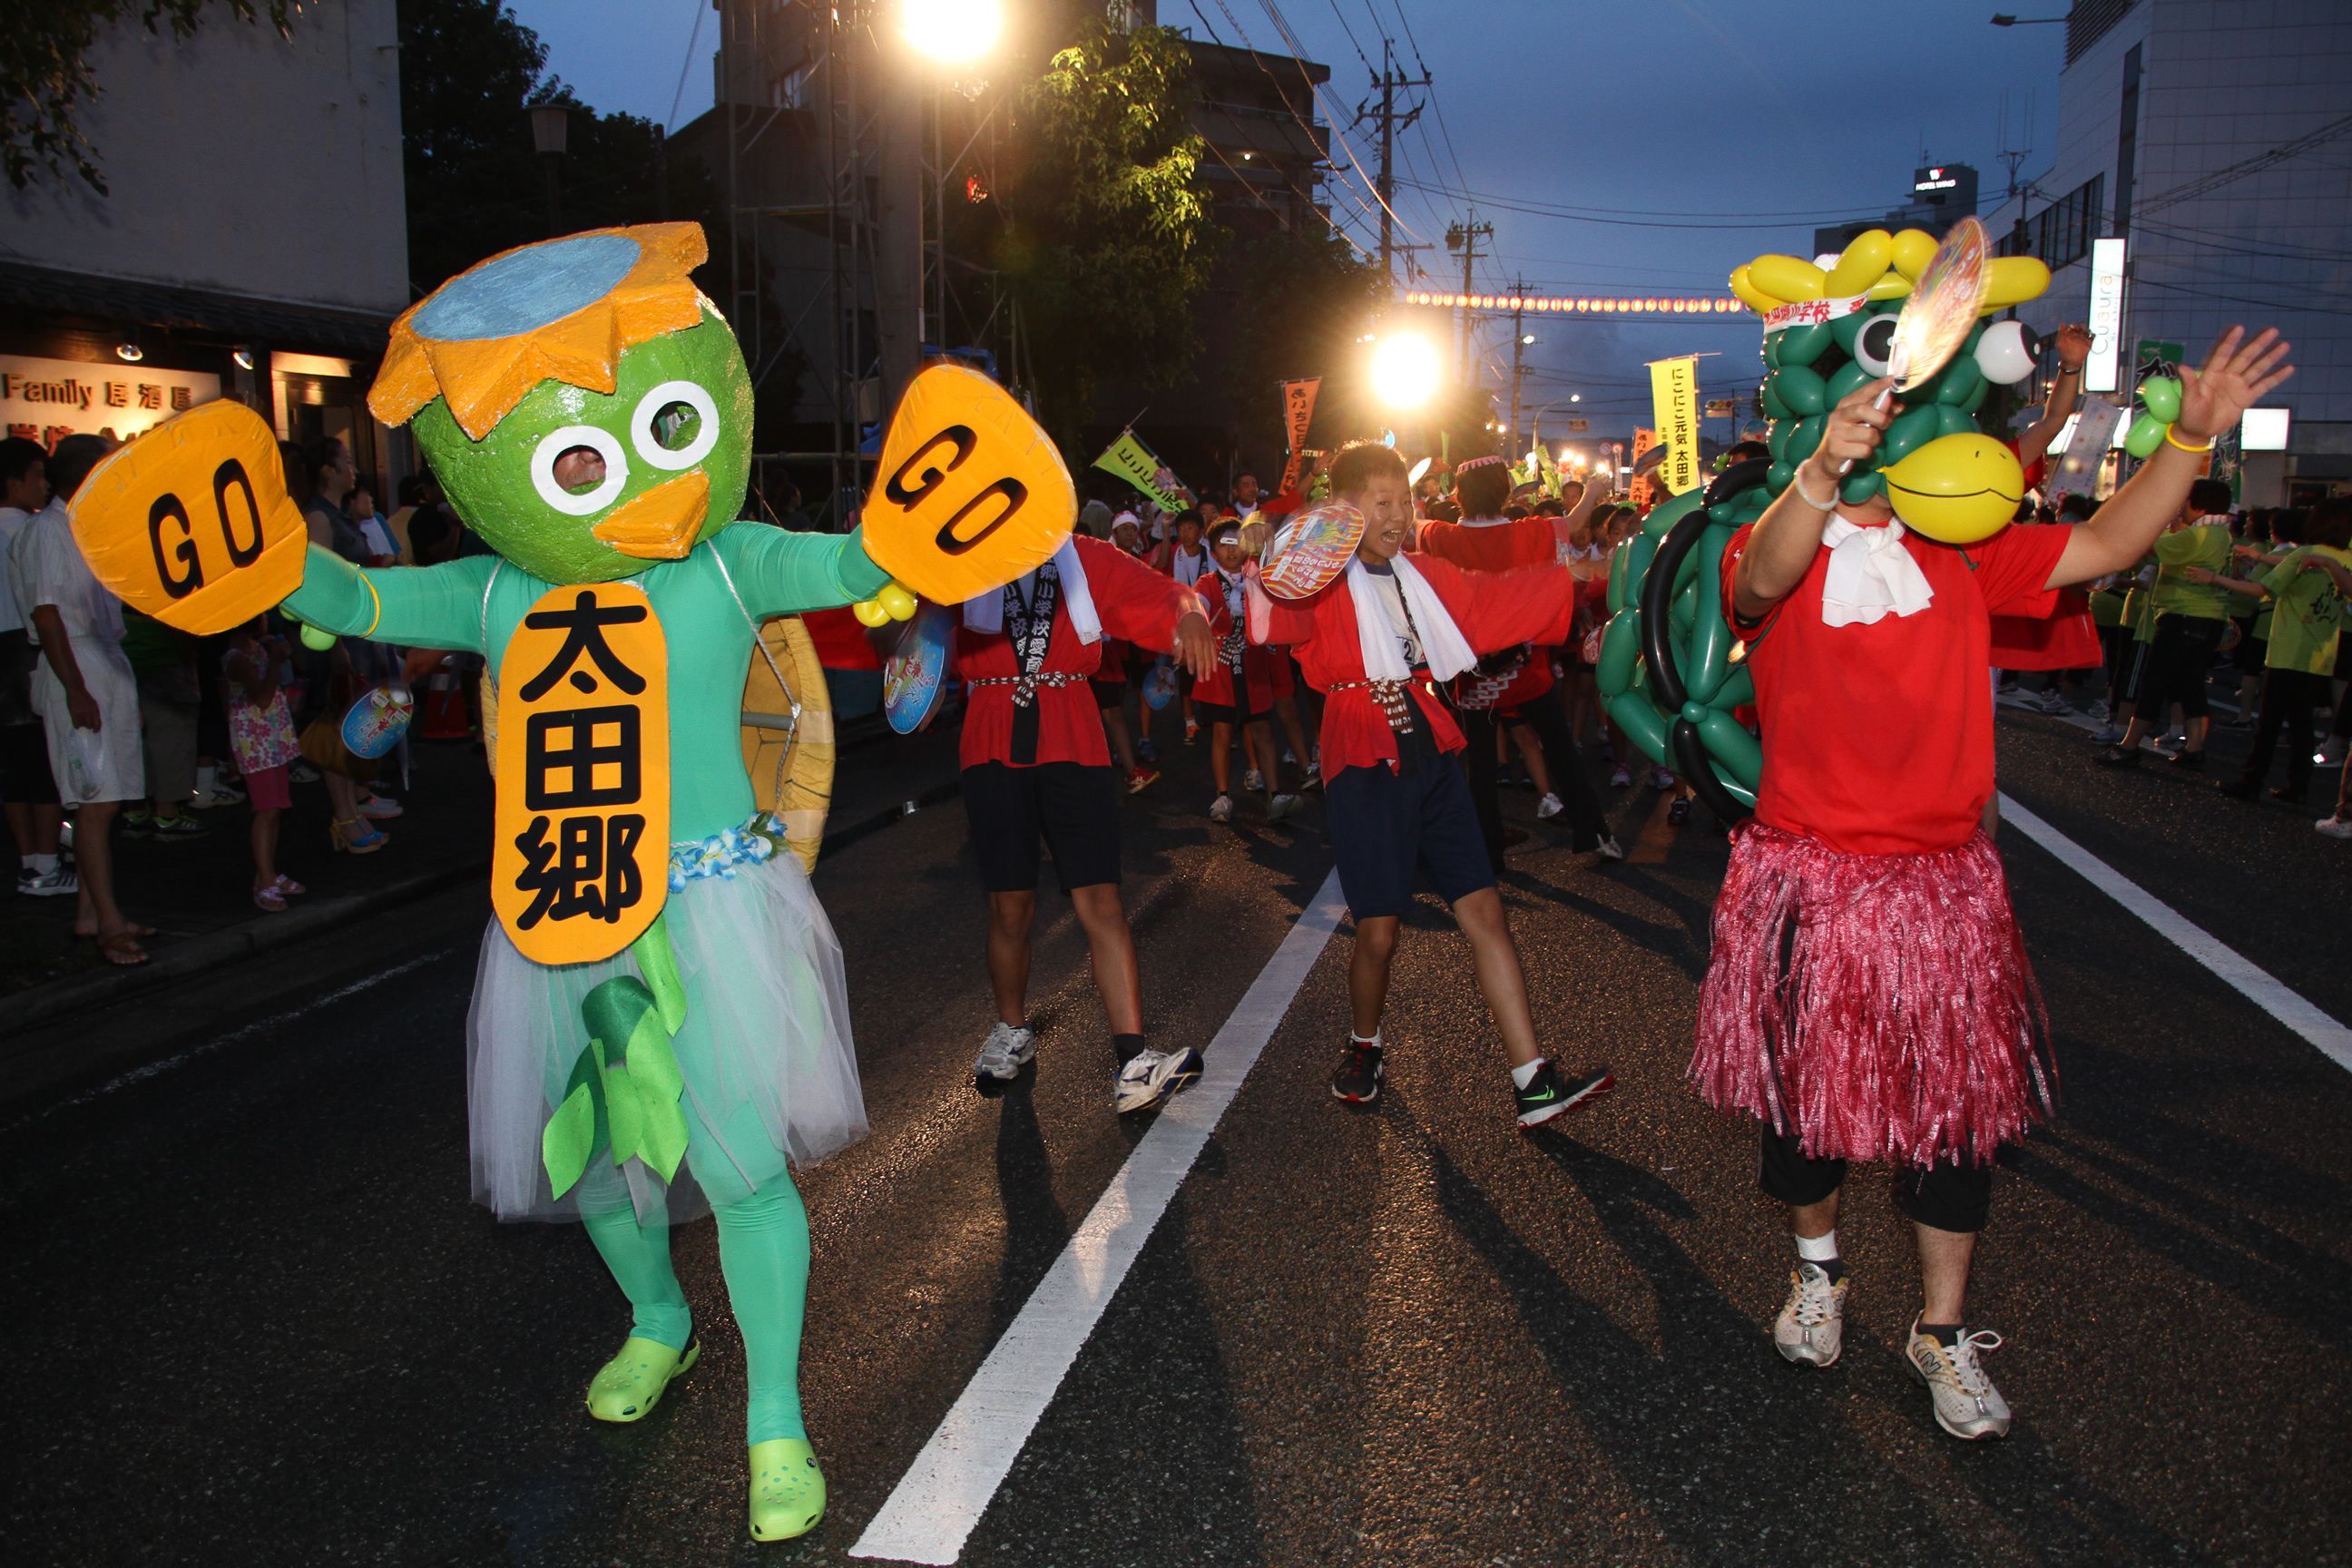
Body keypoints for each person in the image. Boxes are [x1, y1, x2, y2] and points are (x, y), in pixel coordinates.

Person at [1699, 328, 2289, 1440]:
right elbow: (1767, 576)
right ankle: (1818, 1275)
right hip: (1806, 883)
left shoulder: (1969, 552)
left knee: (1953, 1128)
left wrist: (2193, 440)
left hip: (1941, 893)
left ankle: (1942, 1331)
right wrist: (1819, 475)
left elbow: (2110, 540)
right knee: (1806, 1122)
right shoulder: (1773, 548)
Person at [1243, 440, 1615, 1125]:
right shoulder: (1316, 580)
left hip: (1433, 743)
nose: (1397, 515)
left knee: (1485, 910)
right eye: (1381, 503)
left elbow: (1502, 598)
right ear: (1345, 510)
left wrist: (1597, 574)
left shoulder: (1429, 576)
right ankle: (1364, 1046)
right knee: (1378, 930)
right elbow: (1271, 620)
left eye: (1404, 501)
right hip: (1362, 755)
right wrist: (1271, 560)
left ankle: (1532, 1078)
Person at [956, 532, 1220, 1113]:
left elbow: (1163, 592)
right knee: (1010, 906)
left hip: (1073, 734)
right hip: (992, 736)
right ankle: (1010, 1031)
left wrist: (1192, 614)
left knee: (1100, 900)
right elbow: (905, 623)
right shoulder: (964, 554)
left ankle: (1133, 1061)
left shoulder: (1084, 555)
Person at [1416, 456, 1622, 861]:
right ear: (1505, 491)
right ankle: (1593, 834)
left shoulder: (1441, 536)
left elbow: (1411, 525)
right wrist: (1595, 491)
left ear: (1459, 495)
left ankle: (1487, 853)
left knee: (1480, 764)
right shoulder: (1529, 533)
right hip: (1525, 667)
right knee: (1560, 749)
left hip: (1472, 671)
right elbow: (1574, 524)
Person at [10, 434, 151, 964]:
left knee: (108, 798)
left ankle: (92, 913)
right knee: (96, 800)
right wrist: (76, 689)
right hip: (78, 662)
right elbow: (47, 615)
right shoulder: (46, 530)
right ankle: (109, 922)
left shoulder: (84, 527)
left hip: (102, 659)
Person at [2205, 496, 2351, 805]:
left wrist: (2216, 578)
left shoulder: (2306, 554)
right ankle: (2298, 786)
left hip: (2288, 648)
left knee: (2270, 722)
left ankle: (2251, 780)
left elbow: (2263, 588)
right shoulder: (2346, 559)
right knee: (2302, 724)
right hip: (2322, 651)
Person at [2094, 477, 2238, 769]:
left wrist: (2156, 520)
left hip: (2183, 615)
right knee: (2190, 685)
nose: (2181, 506)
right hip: (2209, 618)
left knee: (2154, 680)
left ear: (2197, 505)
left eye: (2184, 501)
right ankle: (2195, 749)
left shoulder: (2198, 536)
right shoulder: (2222, 535)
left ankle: (2129, 746)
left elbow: (2149, 547)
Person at [1191, 518, 1302, 824]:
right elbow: (1195, 605)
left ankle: (1275, 793)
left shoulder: (1256, 578)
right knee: (1223, 733)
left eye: (1235, 544)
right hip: (1222, 667)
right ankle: (1223, 795)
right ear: (1213, 552)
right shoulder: (1207, 583)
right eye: (1223, 546)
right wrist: (1195, 618)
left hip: (1253, 664)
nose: (1231, 551)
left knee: (1263, 730)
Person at [0, 436, 72, 897]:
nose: (44, 486)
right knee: (43, 760)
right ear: (15, 482)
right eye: (38, 476)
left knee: (11, 764)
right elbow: (47, 609)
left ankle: (30, 861)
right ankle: (46, 862)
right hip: (27, 650)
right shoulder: (30, 531)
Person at [221, 619, 307, 910]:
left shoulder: (256, 647)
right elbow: (262, 696)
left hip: (272, 737)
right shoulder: (236, 657)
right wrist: (274, 660)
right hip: (255, 741)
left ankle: (267, 872)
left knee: (276, 808)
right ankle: (265, 880)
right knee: (265, 809)